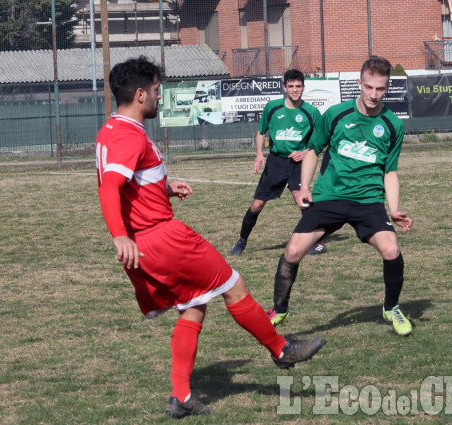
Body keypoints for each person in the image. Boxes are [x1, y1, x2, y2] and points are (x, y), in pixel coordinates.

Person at [95, 56, 326, 419]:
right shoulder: (129, 135)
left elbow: (126, 184)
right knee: (234, 285)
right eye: (156, 91)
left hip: (147, 241)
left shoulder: (112, 129)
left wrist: (165, 187)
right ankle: (282, 349)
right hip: (162, 237)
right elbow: (110, 186)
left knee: (194, 305)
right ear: (140, 94)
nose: (159, 97)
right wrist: (119, 235)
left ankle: (182, 395)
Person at [266, 56, 414, 335]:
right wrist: (305, 186)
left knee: (391, 250)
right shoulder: (335, 114)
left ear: (387, 87)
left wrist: (394, 209)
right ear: (359, 83)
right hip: (329, 197)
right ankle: (279, 310)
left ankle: (391, 308)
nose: (373, 94)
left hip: (368, 200)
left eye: (380, 89)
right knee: (294, 250)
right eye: (368, 87)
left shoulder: (393, 125)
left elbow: (390, 172)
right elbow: (313, 150)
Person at [230, 69, 327, 257]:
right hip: (275, 162)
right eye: (291, 86)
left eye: (298, 86)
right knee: (257, 205)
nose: (295, 90)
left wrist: (305, 152)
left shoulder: (311, 112)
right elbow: (261, 132)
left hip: (298, 164)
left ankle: (318, 242)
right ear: (284, 87)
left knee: (302, 201)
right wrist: (259, 154)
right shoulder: (273, 107)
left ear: (303, 88)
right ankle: (241, 242)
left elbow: (319, 140)